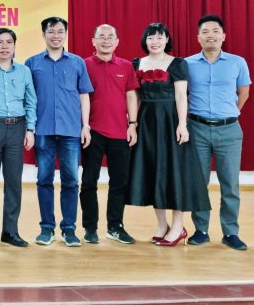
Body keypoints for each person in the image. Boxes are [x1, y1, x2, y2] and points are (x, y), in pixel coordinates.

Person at [126, 22, 210, 246]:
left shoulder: (178, 63)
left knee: (174, 172)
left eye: (159, 37)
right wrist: (133, 124)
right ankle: (162, 225)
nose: (155, 41)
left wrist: (182, 124)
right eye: (151, 37)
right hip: (147, 122)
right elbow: (135, 97)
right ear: (145, 41)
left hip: (171, 121)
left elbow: (181, 96)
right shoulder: (136, 64)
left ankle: (178, 226)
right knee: (154, 171)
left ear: (167, 40)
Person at [26, 16, 93, 247]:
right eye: (51, 31)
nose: (56, 36)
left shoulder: (77, 63)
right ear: (43, 34)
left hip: (71, 131)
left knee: (71, 181)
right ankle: (46, 228)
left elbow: (84, 95)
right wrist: (29, 128)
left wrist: (85, 125)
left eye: (60, 31)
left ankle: (69, 229)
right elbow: (28, 98)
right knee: (44, 179)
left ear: (66, 34)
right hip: (43, 130)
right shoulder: (32, 63)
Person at [186, 14, 251, 251]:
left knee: (230, 184)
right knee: (198, 183)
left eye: (215, 31)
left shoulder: (237, 62)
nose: (210, 35)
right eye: (205, 32)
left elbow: (244, 93)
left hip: (229, 130)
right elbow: (181, 95)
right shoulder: (187, 64)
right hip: (197, 129)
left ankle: (230, 232)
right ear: (198, 37)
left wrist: (229, 114)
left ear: (223, 36)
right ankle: (200, 230)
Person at [80, 24, 140, 245]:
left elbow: (132, 96)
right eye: (101, 37)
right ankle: (90, 228)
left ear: (117, 42)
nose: (106, 41)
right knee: (89, 181)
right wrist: (84, 126)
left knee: (119, 183)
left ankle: (115, 226)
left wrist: (132, 124)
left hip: (120, 133)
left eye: (110, 37)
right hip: (92, 132)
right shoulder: (83, 65)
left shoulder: (126, 66)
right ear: (93, 41)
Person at [0, 28, 36, 249]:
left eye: (9, 42)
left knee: (14, 183)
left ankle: (10, 231)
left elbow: (31, 101)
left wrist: (30, 129)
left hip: (17, 129)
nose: (4, 46)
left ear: (14, 46)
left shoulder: (24, 71)